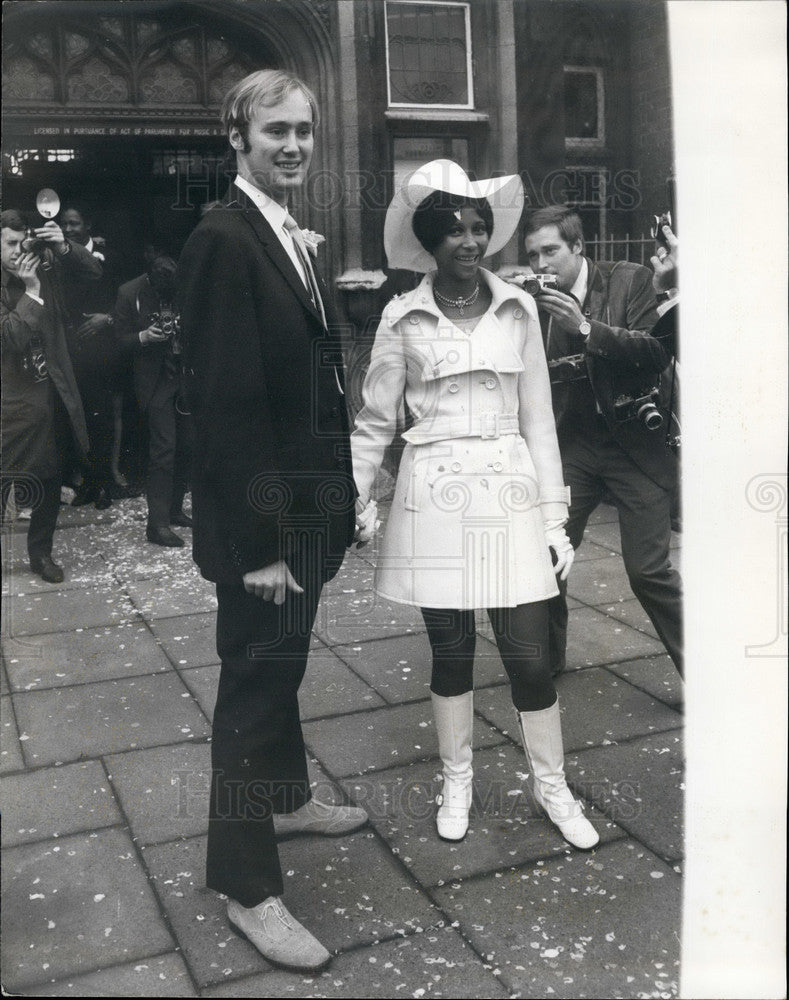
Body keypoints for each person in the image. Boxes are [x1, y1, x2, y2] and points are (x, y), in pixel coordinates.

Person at [351, 159, 600, 853]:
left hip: (510, 492)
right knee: (451, 650)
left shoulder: (518, 310)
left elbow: (539, 420)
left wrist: (554, 515)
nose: (469, 240)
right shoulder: (401, 316)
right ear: (429, 241)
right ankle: (456, 781)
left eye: (478, 227)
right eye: (454, 229)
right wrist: (351, 495)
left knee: (527, 653)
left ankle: (552, 788)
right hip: (433, 495)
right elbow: (373, 421)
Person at [176, 69, 365, 972]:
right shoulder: (223, 238)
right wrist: (256, 549)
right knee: (252, 697)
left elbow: (313, 381)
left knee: (279, 669)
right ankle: (247, 886)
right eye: (275, 131)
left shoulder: (291, 238)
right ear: (237, 138)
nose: (293, 145)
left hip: (306, 513)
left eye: (303, 130)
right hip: (264, 530)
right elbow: (225, 406)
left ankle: (286, 801)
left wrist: (341, 502)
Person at [522, 206, 682, 676]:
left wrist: (586, 329)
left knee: (648, 572)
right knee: (548, 554)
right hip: (575, 446)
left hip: (637, 444)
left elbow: (654, 354)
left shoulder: (630, 280)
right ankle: (545, 670)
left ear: (577, 247)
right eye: (532, 255)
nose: (540, 265)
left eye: (550, 250)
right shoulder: (533, 302)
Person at [1, 208, 98, 582]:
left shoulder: (44, 271)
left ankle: (41, 554)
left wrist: (64, 247)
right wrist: (32, 293)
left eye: (21, 242)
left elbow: (93, 272)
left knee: (47, 479)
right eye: (9, 243)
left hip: (48, 397)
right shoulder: (33, 284)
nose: (17, 251)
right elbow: (11, 338)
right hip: (9, 404)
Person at [114, 254, 192, 547]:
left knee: (186, 445)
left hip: (184, 376)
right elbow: (118, 340)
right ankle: (156, 525)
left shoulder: (182, 285)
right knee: (164, 450)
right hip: (155, 382)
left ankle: (173, 511)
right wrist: (145, 336)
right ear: (150, 279)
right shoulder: (128, 292)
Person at [59, 203, 122, 507]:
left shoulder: (107, 255)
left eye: (74, 223)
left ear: (88, 224)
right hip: (72, 347)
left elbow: (124, 297)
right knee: (78, 416)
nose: (68, 229)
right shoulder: (59, 256)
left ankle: (106, 484)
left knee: (102, 417)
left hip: (103, 351)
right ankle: (88, 481)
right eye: (65, 224)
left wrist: (106, 318)